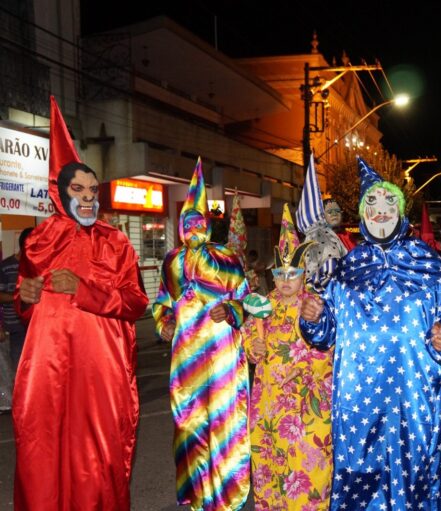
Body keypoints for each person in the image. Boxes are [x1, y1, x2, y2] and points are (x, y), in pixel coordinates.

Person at [299, 157, 441, 510]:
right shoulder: (349, 265)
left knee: (417, 466)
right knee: (361, 469)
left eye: (388, 204)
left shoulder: (428, 261)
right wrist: (315, 317)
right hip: (360, 393)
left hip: (414, 390)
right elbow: (326, 330)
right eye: (370, 205)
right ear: (362, 215)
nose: (379, 213)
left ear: (401, 213)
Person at [13, 96, 148, 510]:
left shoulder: (117, 241)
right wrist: (26, 298)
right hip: (47, 369)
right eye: (79, 189)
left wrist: (86, 291)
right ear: (60, 192)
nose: (88, 197)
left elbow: (136, 302)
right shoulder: (36, 243)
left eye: (93, 189)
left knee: (99, 458)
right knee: (43, 452)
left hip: (102, 371)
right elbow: (28, 304)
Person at [153, 158, 251, 510]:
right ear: (181, 225)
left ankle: (226, 495)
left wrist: (233, 311)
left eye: (199, 222)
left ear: (207, 224)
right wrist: (162, 322)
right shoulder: (171, 262)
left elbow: (246, 300)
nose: (194, 227)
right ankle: (197, 493)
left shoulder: (228, 259)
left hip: (222, 355)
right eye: (188, 222)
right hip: (185, 360)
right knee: (190, 422)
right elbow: (162, 301)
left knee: (224, 423)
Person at [245, 204, 333, 511]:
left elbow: (328, 348)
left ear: (304, 272)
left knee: (308, 466)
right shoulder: (264, 304)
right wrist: (252, 349)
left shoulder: (315, 305)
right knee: (272, 463)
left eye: (292, 273)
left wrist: (303, 370)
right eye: (279, 273)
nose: (285, 280)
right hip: (269, 400)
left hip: (305, 402)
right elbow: (250, 337)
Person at [296, 154, 347, 292]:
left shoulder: (336, 235)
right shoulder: (319, 236)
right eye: (330, 211)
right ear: (321, 216)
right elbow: (317, 272)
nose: (335, 214)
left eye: (337, 210)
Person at [0, 227, 33, 370]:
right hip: (15, 329)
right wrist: (19, 296)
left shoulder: (37, 266)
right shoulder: (6, 266)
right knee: (19, 372)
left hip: (34, 328)